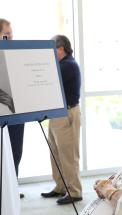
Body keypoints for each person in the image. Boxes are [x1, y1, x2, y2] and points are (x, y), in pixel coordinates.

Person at [40, 35, 82, 205]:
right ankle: (61, 186)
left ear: (61, 49)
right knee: (55, 153)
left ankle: (75, 191)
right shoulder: (61, 65)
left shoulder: (68, 66)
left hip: (67, 114)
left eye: (52, 50)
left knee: (68, 155)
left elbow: (47, 84)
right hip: (56, 114)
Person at [0, 18, 25, 199]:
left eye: (11, 33)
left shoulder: (17, 51)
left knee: (16, 150)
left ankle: (13, 187)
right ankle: (1, 190)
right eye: (7, 34)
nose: (10, 37)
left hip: (18, 112)